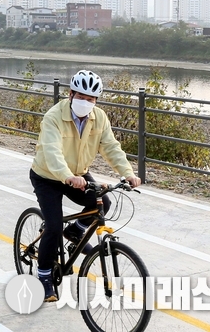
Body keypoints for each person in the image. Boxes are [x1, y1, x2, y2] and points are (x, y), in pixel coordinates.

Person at [29, 69, 141, 303]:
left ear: (96, 100)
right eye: (81, 97)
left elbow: (111, 147)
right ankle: (44, 276)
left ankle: (75, 231)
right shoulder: (53, 116)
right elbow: (51, 152)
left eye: (90, 99)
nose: (85, 102)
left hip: (77, 173)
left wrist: (128, 173)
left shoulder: (99, 118)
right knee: (53, 226)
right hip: (48, 176)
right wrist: (67, 176)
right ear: (71, 94)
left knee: (103, 202)